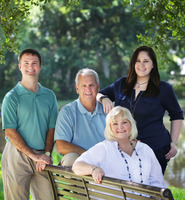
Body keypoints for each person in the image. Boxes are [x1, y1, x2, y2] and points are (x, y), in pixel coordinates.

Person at [97, 46, 184, 174]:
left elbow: (177, 115)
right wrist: (104, 98)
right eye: (138, 61)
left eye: (146, 61)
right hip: (125, 147)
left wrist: (174, 143)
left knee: (151, 189)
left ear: (153, 64)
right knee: (128, 188)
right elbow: (99, 94)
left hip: (156, 148)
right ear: (133, 64)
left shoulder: (164, 89)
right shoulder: (121, 84)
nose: (141, 65)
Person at [1, 49, 58, 200]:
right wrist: (34, 156)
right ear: (20, 66)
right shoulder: (11, 97)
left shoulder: (49, 96)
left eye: (34, 63)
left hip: (42, 155)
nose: (30, 67)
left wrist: (45, 155)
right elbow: (10, 132)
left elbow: (51, 128)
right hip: (17, 155)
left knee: (48, 197)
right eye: (26, 63)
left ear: (40, 66)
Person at [72, 106, 166, 188]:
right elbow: (77, 166)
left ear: (131, 124)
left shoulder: (145, 149)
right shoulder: (104, 148)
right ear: (110, 128)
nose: (120, 127)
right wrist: (93, 169)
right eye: (115, 124)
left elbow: (158, 182)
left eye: (124, 122)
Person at [54, 68, 106, 167]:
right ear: (77, 88)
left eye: (92, 85)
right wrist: (88, 155)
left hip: (105, 159)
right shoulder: (67, 112)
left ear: (98, 87)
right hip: (80, 160)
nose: (88, 89)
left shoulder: (107, 110)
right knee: (70, 159)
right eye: (84, 86)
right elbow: (61, 146)